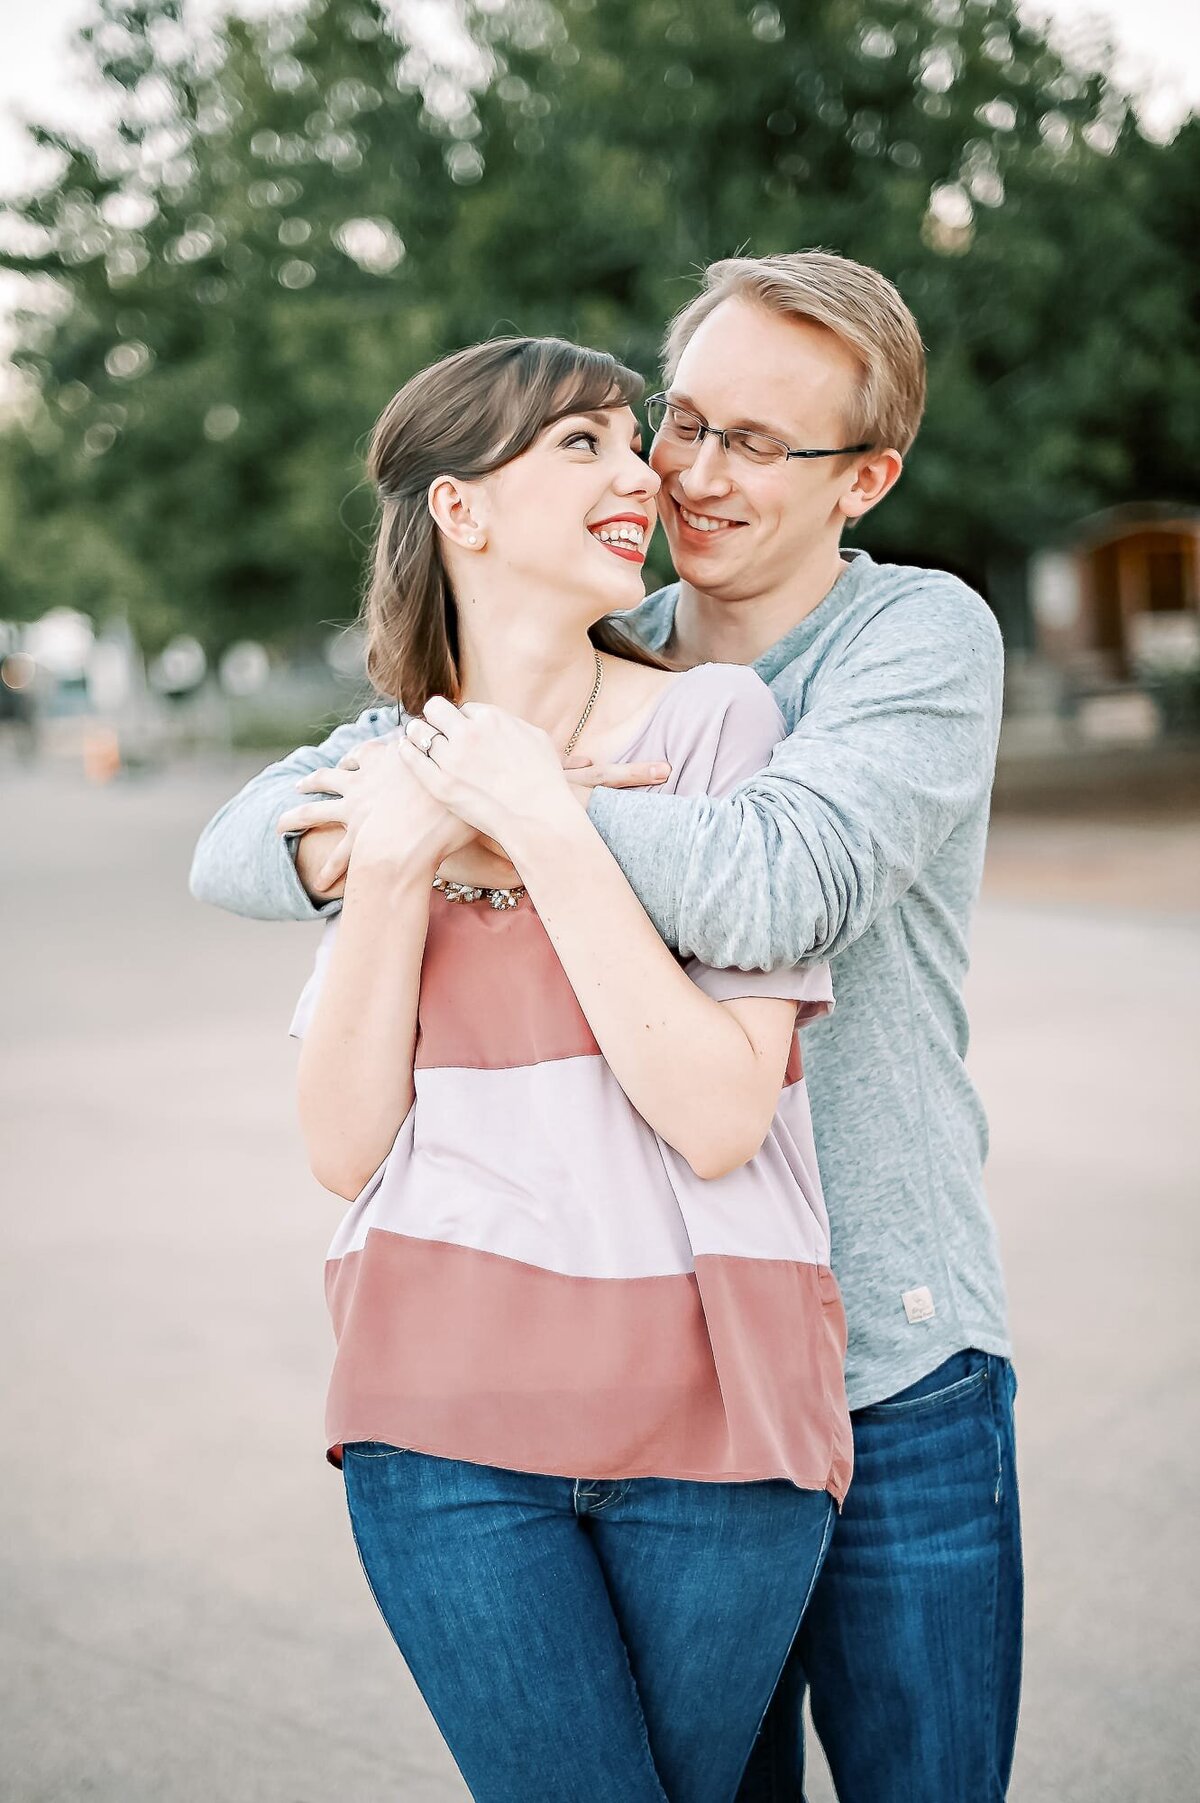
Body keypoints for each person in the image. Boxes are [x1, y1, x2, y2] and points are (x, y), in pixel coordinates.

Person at [191, 252, 1022, 1802]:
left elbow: (788, 877)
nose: (688, 470)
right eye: (683, 422)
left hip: (885, 1355)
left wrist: (513, 809)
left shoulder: (913, 639)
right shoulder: (596, 637)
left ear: (868, 478)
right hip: (634, 1351)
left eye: (758, 445)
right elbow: (243, 840)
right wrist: (415, 816)